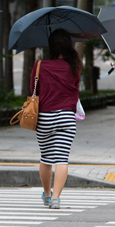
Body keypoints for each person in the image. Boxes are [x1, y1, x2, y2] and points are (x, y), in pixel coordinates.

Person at [32, 29, 83, 210]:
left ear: (51, 46)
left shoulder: (40, 65)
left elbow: (34, 91)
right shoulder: (75, 67)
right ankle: (56, 198)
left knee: (46, 158)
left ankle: (46, 194)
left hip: (44, 117)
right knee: (62, 159)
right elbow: (75, 91)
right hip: (66, 117)